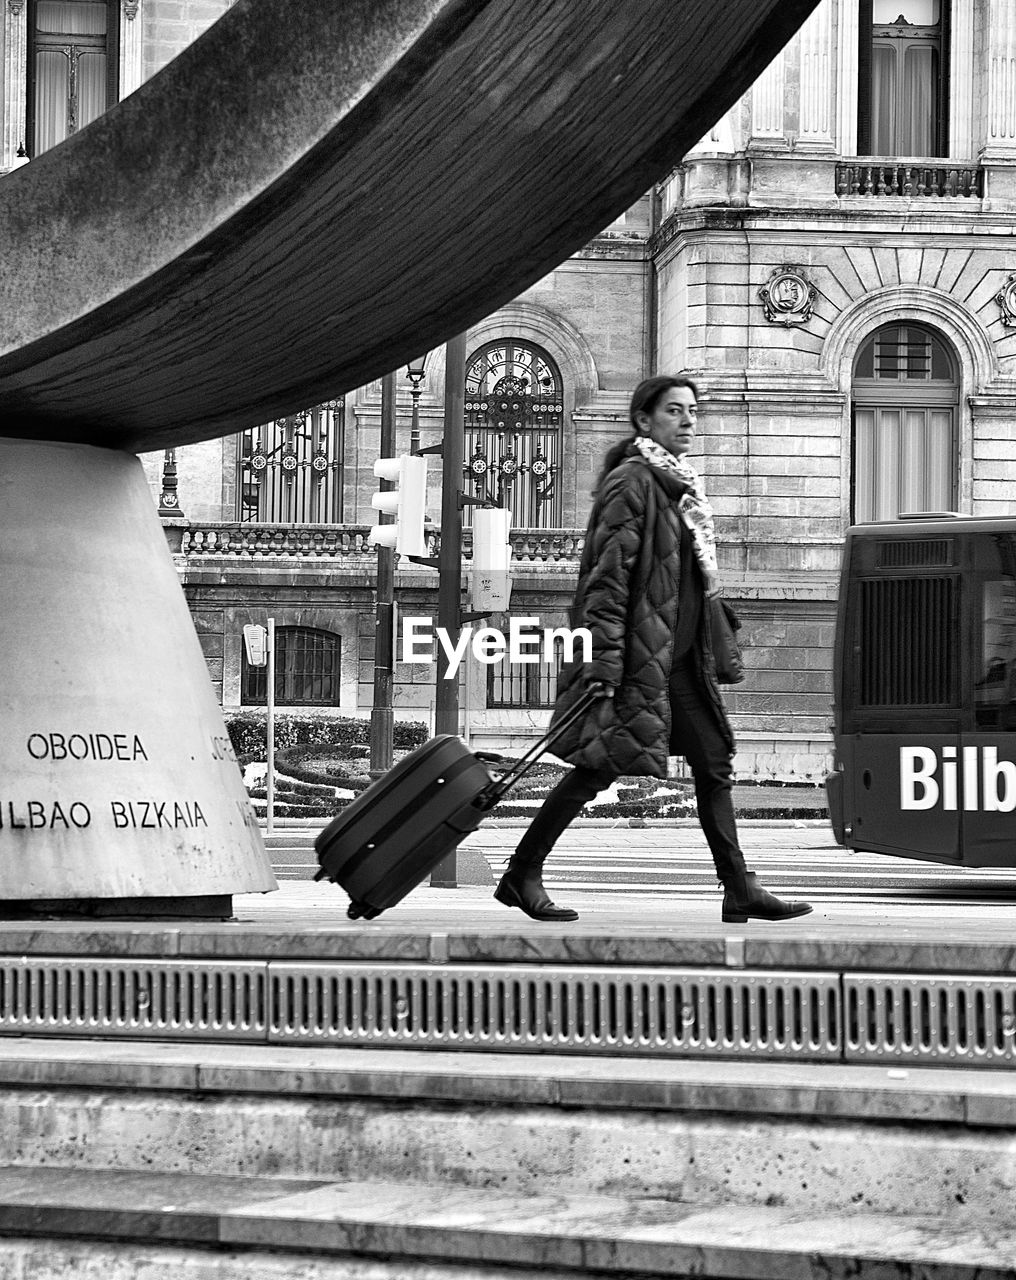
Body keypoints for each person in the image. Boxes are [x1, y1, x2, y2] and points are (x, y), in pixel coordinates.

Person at [494, 374, 813, 925]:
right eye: (675, 411)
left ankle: (739, 887)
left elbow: (680, 578)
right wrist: (605, 660)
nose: (688, 420)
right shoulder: (632, 484)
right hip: (639, 663)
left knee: (713, 763)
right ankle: (522, 873)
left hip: (678, 662)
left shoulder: (676, 488)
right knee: (597, 769)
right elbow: (606, 580)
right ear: (645, 420)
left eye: (693, 411)